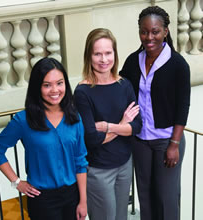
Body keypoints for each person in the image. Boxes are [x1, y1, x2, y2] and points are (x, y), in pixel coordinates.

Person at [0, 57, 88, 220]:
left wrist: (83, 201)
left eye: (60, 83)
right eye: (47, 85)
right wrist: (17, 182)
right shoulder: (23, 120)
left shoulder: (74, 117)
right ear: (37, 87)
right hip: (42, 200)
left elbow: (80, 161)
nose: (55, 90)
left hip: (72, 195)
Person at [120, 6, 191, 220]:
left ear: (165, 32)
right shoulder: (134, 60)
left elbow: (183, 106)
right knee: (146, 195)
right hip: (140, 140)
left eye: (155, 31)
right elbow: (120, 87)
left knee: (166, 198)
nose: (149, 37)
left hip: (166, 141)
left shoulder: (178, 65)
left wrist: (174, 144)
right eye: (144, 31)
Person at [74, 28, 142, 220]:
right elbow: (91, 139)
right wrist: (122, 124)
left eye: (108, 53)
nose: (104, 59)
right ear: (89, 56)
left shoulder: (124, 85)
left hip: (124, 164)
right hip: (99, 170)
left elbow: (137, 126)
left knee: (121, 217)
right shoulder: (83, 92)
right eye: (97, 54)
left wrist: (107, 126)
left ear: (115, 54)